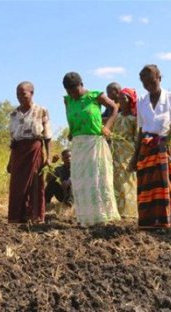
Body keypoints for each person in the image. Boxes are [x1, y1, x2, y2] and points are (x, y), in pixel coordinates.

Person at [62, 72, 121, 226]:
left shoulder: (95, 96)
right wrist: (72, 131)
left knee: (98, 179)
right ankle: (86, 218)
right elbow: (73, 118)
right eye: (69, 92)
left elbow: (114, 108)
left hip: (94, 143)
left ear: (81, 85)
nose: (72, 94)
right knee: (81, 182)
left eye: (74, 91)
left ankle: (102, 218)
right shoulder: (68, 100)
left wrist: (107, 127)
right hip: (78, 145)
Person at [130, 64, 171, 228]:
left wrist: (168, 139)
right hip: (148, 150)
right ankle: (149, 224)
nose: (149, 86)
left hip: (166, 148)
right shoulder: (141, 101)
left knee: (170, 186)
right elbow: (141, 129)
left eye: (152, 82)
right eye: (145, 84)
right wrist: (135, 156)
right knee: (148, 189)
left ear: (159, 79)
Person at [7, 81, 52, 223]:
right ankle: (17, 217)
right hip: (18, 152)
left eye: (23, 93)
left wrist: (49, 156)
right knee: (17, 186)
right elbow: (13, 141)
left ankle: (35, 216)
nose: (20, 96)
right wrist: (10, 161)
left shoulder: (41, 110)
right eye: (18, 94)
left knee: (35, 184)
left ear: (31, 93)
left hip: (34, 149)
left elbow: (47, 136)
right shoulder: (14, 114)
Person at [111, 88, 138, 218]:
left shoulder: (135, 119)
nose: (121, 100)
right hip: (115, 151)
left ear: (130, 100)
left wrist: (136, 156)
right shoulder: (116, 117)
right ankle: (117, 211)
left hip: (128, 151)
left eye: (124, 98)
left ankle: (130, 212)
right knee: (115, 180)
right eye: (120, 98)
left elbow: (137, 137)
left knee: (128, 179)